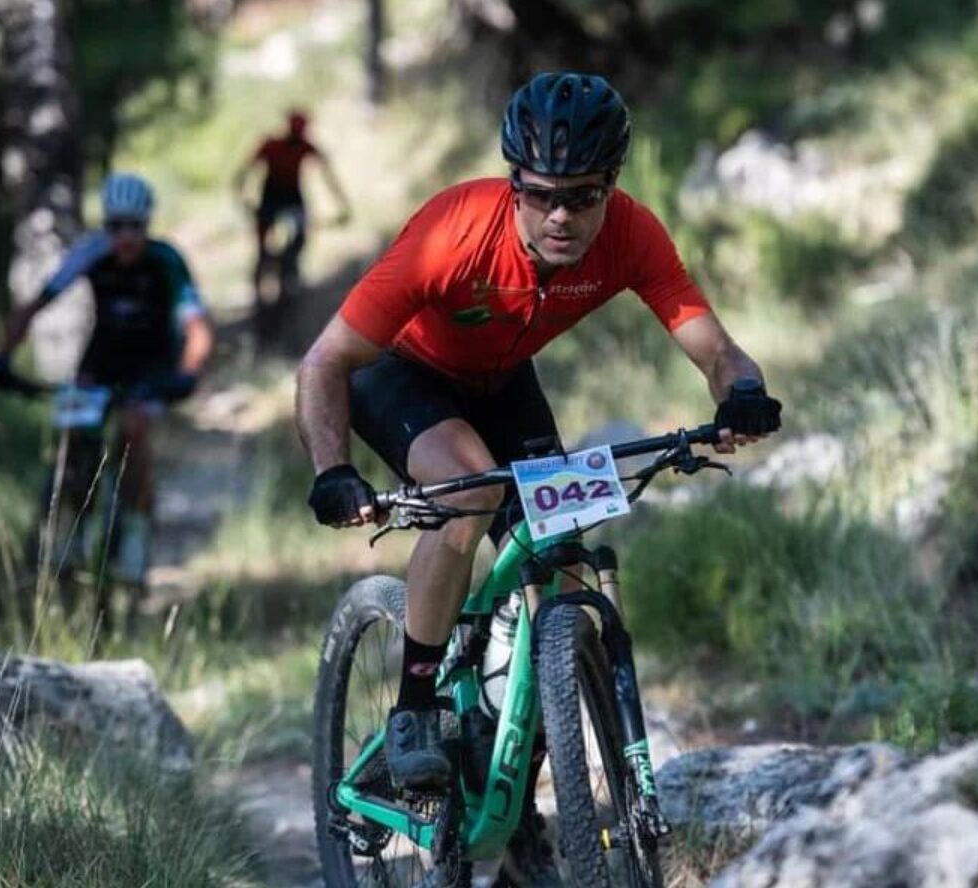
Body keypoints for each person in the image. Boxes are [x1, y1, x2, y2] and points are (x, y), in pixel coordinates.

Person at [295, 72, 781, 885]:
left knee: (559, 558)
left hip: (503, 379)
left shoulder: (631, 235)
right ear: (514, 185)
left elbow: (716, 347)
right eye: (544, 196)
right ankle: (416, 710)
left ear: (611, 188)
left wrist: (741, 394)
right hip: (403, 376)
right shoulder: (452, 231)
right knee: (476, 485)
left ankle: (514, 803)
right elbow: (326, 361)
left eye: (584, 197)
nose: (563, 216)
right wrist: (331, 470)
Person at [0, 172, 214, 584]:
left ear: (147, 225)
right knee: (74, 433)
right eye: (116, 226)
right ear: (106, 225)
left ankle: (134, 532)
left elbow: (197, 328)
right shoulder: (91, 252)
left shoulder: (167, 260)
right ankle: (70, 532)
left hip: (152, 365)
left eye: (136, 227)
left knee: (133, 429)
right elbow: (34, 304)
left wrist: (188, 372)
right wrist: (3, 357)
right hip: (102, 359)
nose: (125, 237)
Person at [234, 109, 351, 295]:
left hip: (291, 198)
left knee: (299, 237)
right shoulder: (272, 145)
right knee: (263, 245)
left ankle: (288, 273)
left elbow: (328, 176)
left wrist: (343, 205)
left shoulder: (304, 147)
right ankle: (261, 282)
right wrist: (243, 198)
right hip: (271, 197)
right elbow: (245, 172)